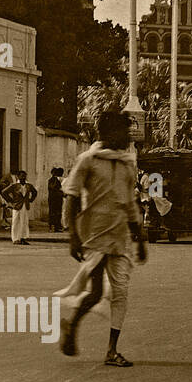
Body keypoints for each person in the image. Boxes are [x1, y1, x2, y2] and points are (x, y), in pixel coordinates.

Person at [56, 111, 146, 366]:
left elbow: (130, 203)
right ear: (107, 134)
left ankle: (112, 351)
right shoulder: (88, 160)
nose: (127, 138)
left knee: (121, 292)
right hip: (94, 236)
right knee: (95, 293)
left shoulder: (128, 163)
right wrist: (73, 236)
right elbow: (71, 196)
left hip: (120, 238)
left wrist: (140, 238)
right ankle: (71, 324)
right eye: (122, 132)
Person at [3, 170, 38, 245]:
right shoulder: (14, 185)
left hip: (25, 206)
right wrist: (11, 201)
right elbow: (4, 192)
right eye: (21, 176)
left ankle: (23, 238)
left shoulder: (29, 185)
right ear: (18, 177)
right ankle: (15, 238)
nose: (23, 177)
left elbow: (35, 192)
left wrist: (31, 200)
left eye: (24, 176)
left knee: (24, 222)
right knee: (16, 222)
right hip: (17, 206)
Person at [47, 167, 65, 232]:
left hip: (58, 199)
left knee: (58, 213)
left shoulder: (57, 180)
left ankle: (57, 227)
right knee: (52, 213)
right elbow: (53, 188)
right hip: (53, 199)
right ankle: (52, 227)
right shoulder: (52, 180)